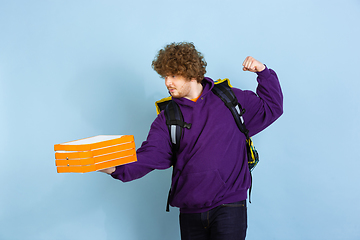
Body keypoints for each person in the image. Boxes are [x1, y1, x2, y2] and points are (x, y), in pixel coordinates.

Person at [100, 42, 283, 240]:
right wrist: (113, 167)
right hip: (190, 212)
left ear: (192, 73)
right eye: (165, 76)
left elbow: (272, 107)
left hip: (230, 206)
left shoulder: (229, 98)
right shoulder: (167, 117)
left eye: (174, 76)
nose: (167, 82)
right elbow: (149, 157)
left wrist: (263, 72)